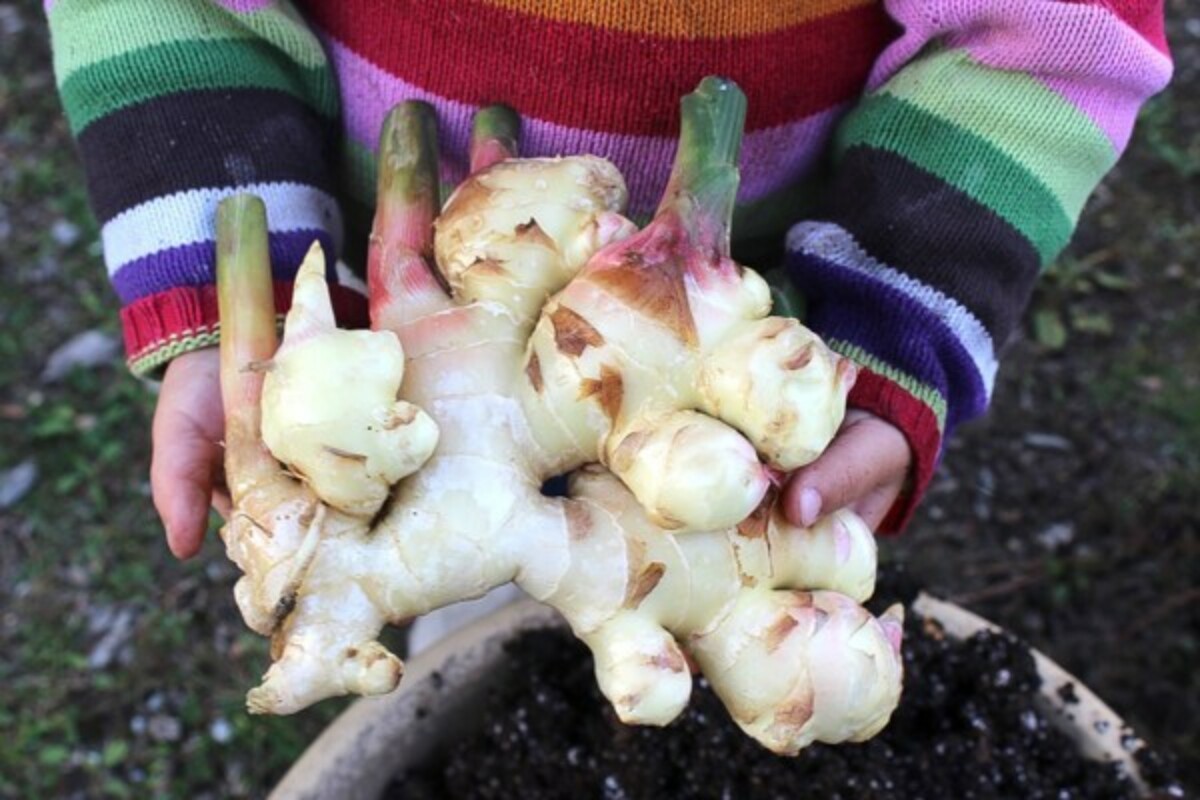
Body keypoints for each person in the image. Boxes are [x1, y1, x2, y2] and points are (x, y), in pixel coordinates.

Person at [47, 0, 1171, 559]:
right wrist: (236, 304)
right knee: (458, 566)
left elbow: (1045, 41)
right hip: (393, 350)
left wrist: (892, 312)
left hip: (749, 356)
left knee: (725, 554)